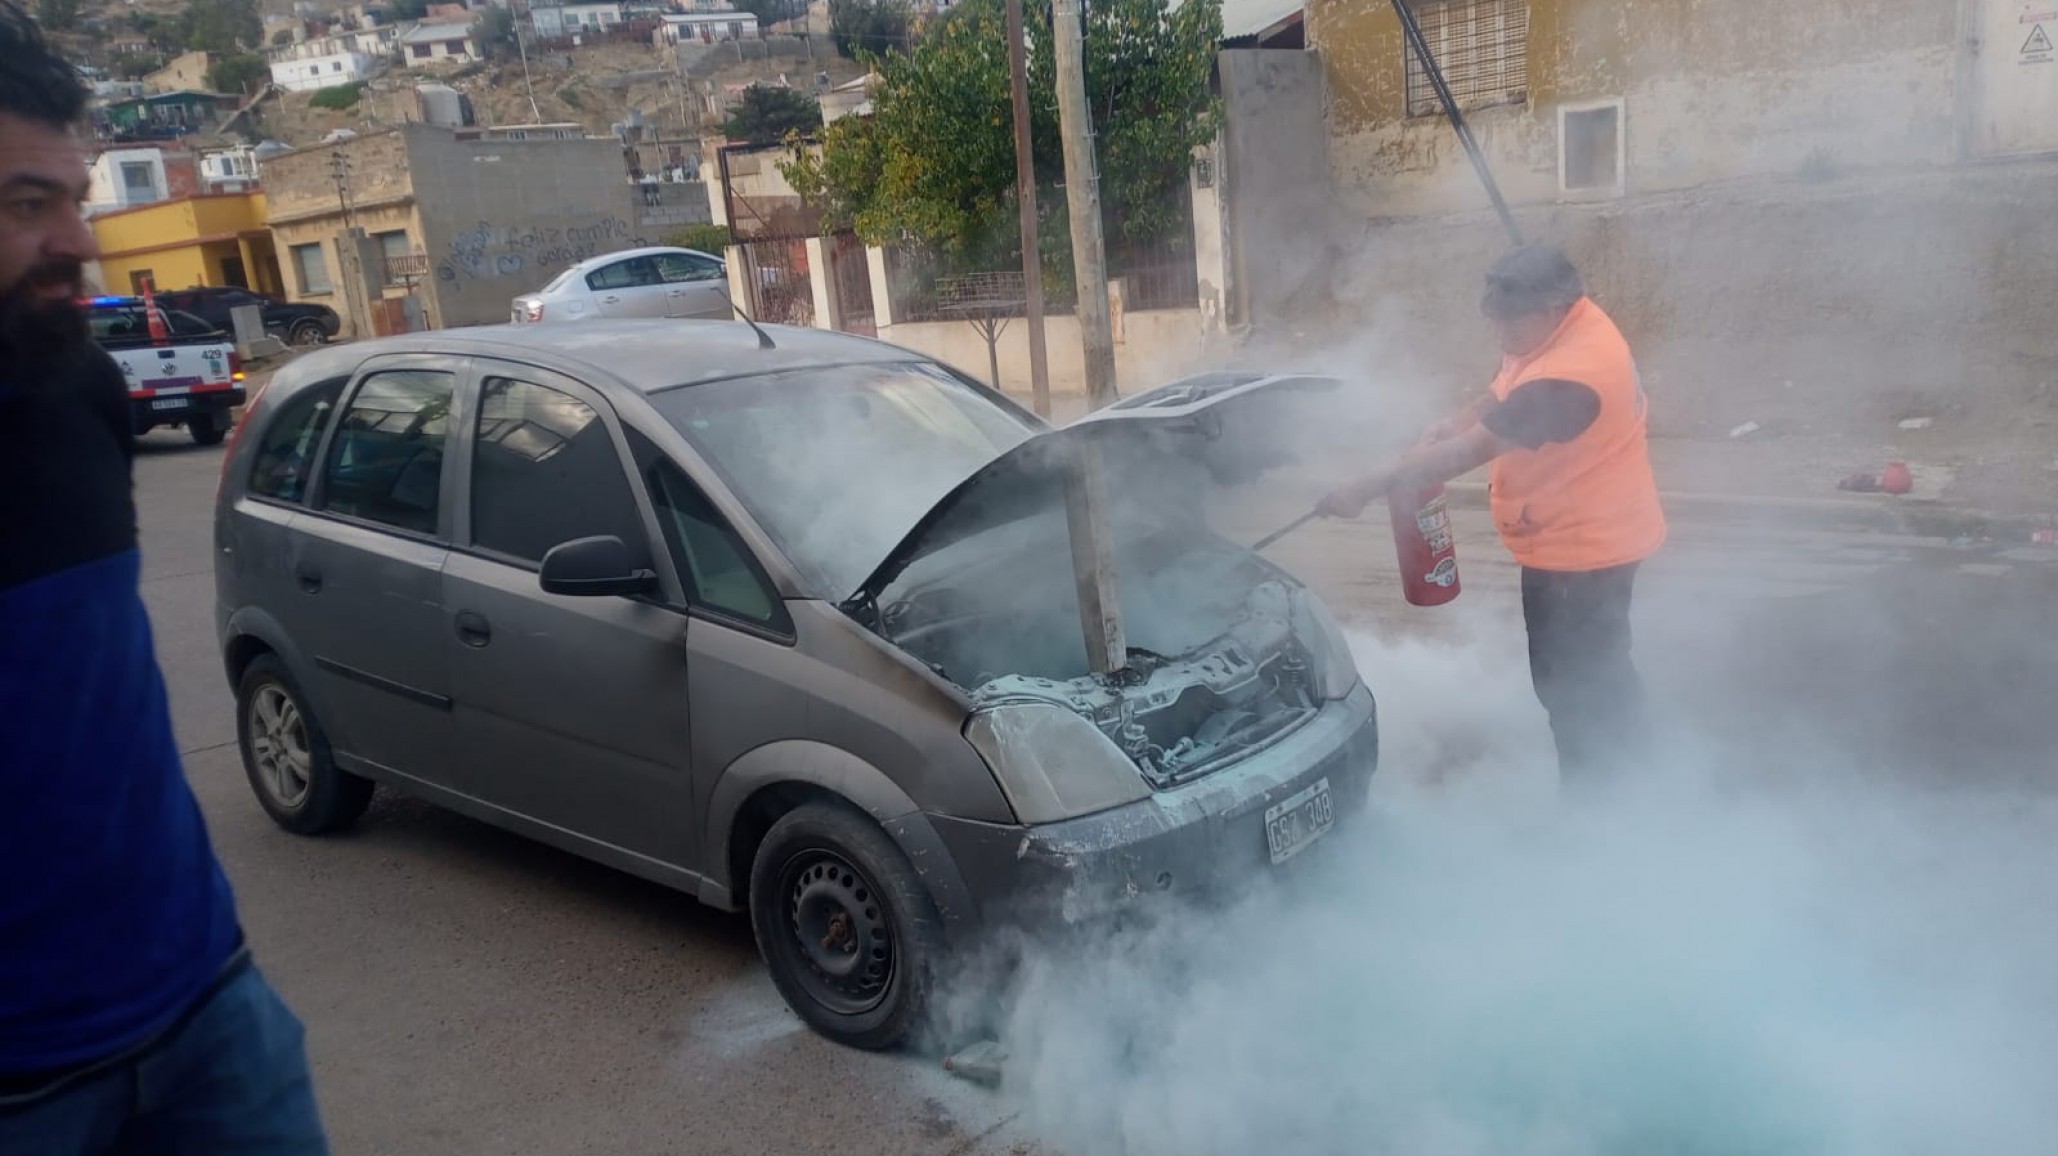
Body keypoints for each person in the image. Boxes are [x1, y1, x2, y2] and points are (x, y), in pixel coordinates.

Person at [0, 6, 330, 1151]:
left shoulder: (76, 393)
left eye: (72, 198)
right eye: (23, 204)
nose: (78, 242)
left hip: (209, 1011)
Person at [1319, 244, 1667, 791]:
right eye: (1495, 319)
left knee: (1576, 688)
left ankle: (1603, 807)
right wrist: (1452, 420)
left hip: (1584, 553)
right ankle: (1642, 774)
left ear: (1553, 310)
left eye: (1512, 322)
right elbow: (1508, 384)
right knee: (1602, 671)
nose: (1500, 334)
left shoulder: (1575, 375)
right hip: (1587, 533)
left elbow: (1470, 452)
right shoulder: (1567, 324)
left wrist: (1365, 486)